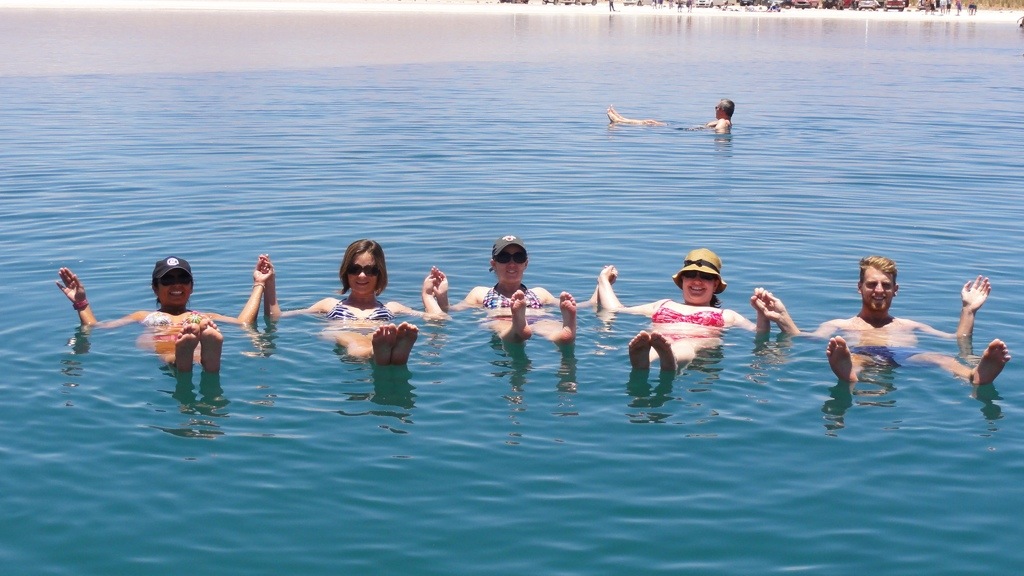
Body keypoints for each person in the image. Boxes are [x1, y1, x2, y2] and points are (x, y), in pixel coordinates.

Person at [784, 255, 1010, 386]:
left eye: (886, 285)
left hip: (906, 356)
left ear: (895, 290)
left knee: (942, 358)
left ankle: (974, 375)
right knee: (854, 358)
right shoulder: (839, 325)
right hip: (863, 354)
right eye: (871, 284)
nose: (879, 290)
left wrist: (968, 310)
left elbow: (958, 339)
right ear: (859, 287)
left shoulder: (911, 325)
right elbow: (807, 338)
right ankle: (849, 374)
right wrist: (783, 317)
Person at [56, 255, 272, 373]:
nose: (176, 285)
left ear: (191, 287)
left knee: (197, 340)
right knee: (171, 347)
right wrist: (81, 303)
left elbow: (244, 323)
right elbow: (98, 327)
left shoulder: (206, 316)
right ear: (155, 288)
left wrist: (259, 284)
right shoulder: (142, 315)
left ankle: (203, 357)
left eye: (183, 279)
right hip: (169, 341)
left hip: (194, 337)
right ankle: (193, 359)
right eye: (168, 280)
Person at [594, 248, 797, 372]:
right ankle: (644, 360)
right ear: (682, 280)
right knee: (653, 341)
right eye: (691, 275)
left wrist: (762, 313)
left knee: (686, 345)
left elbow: (760, 334)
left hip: (696, 344)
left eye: (705, 277)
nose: (697, 281)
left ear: (715, 284)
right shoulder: (662, 304)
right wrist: (603, 280)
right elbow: (617, 310)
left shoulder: (726, 315)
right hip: (659, 339)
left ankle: (670, 360)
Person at [261, 240, 446, 366]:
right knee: (353, 340)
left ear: (380, 273)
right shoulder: (329, 304)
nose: (362, 275)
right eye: (354, 269)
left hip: (377, 333)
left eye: (370, 270)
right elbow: (276, 316)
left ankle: (389, 352)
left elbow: (439, 319)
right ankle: (380, 353)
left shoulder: (392, 308)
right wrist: (269, 282)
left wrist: (428, 295)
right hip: (346, 333)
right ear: (345, 272)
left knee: (376, 335)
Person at [437, 235, 576, 345]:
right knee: (502, 325)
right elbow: (452, 310)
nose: (512, 264)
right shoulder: (480, 293)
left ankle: (564, 333)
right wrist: (442, 296)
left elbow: (577, 306)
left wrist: (588, 298)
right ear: (494, 264)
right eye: (504, 258)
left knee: (550, 326)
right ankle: (517, 327)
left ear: (526, 263)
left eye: (518, 258)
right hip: (502, 319)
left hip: (537, 318)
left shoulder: (539, 293)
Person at [606, 99, 734, 133]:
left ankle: (619, 121)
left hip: (687, 131)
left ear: (722, 110)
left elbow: (719, 132)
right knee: (650, 122)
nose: (715, 110)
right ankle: (621, 120)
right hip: (686, 128)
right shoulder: (726, 121)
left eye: (716, 108)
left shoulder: (723, 121)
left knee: (649, 123)